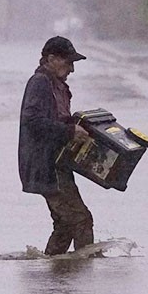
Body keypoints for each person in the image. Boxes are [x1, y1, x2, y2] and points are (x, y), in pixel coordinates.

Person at [18, 36, 94, 256]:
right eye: (68, 62)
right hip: (47, 166)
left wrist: (76, 125)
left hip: (57, 163)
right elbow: (32, 121)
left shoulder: (56, 84)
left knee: (64, 225)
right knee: (80, 219)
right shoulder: (40, 83)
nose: (71, 69)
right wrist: (69, 131)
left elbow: (56, 119)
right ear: (50, 59)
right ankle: (84, 277)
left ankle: (54, 272)